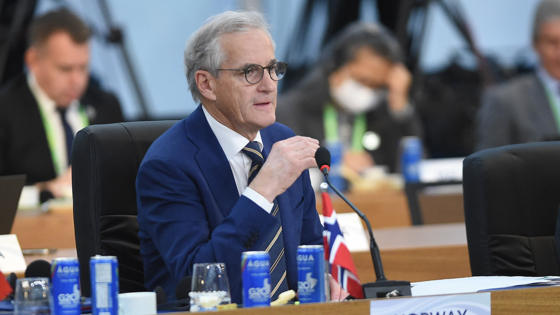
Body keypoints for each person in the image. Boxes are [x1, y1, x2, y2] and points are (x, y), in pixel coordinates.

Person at [136, 11, 347, 304]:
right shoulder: (168, 166)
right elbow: (200, 282)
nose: (269, 85)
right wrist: (262, 190)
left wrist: (320, 277)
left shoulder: (282, 140)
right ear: (206, 84)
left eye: (273, 68)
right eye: (250, 72)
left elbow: (309, 244)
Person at [0, 8, 124, 197]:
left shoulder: (107, 105)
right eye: (65, 69)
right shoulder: (5, 111)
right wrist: (47, 191)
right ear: (33, 60)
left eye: (83, 67)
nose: (77, 81)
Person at [277, 22, 422, 174]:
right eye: (363, 81)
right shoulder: (290, 112)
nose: (369, 92)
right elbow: (282, 167)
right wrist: (329, 161)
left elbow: (411, 164)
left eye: (378, 86)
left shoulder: (379, 114)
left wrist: (400, 106)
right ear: (334, 67)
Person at [475, 0, 560, 151]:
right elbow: (488, 168)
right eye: (552, 43)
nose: (559, 53)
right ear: (535, 45)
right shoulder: (507, 101)